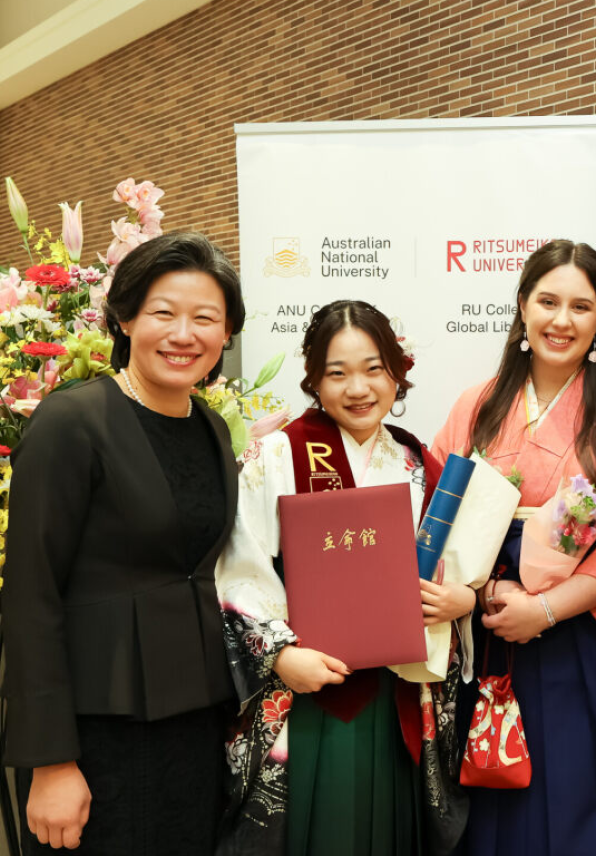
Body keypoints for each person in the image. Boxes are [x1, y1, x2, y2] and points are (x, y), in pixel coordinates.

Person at [1, 231, 246, 854]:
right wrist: (52, 762)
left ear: (225, 335)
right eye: (163, 313)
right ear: (125, 317)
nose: (183, 334)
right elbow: (32, 596)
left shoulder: (212, 427)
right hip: (96, 734)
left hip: (193, 726)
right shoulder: (72, 421)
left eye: (205, 318)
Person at [432, 239, 596, 856]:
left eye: (581, 307)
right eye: (547, 301)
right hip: (493, 630)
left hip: (587, 635)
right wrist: (487, 588)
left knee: (589, 804)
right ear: (521, 306)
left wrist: (546, 608)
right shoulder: (478, 406)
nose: (561, 321)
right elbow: (439, 511)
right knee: (498, 806)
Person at [214, 299, 475, 856]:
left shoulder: (416, 462)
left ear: (397, 373)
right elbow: (241, 569)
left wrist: (462, 600)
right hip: (305, 688)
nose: (358, 388)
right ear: (314, 379)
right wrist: (281, 655)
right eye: (337, 373)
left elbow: (455, 563)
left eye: (373, 369)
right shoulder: (277, 454)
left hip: (396, 689)